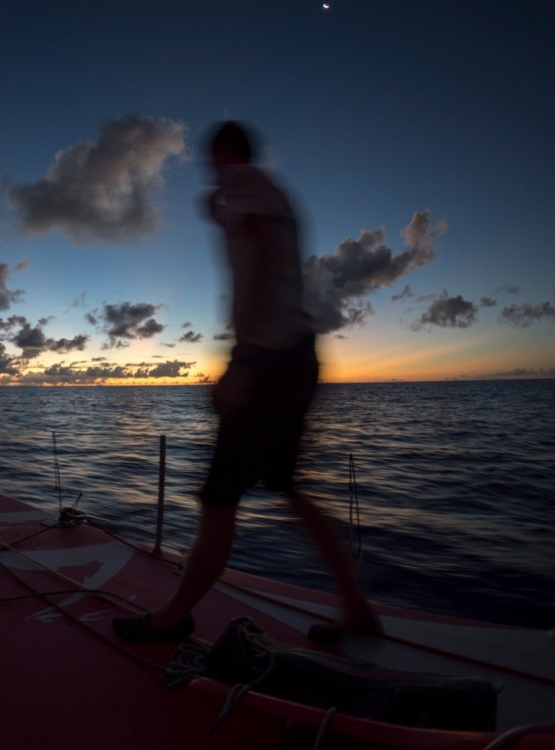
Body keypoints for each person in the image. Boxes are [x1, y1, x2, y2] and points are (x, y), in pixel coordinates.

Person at [113, 121, 378, 644]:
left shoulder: (243, 184)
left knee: (218, 497)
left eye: (212, 159)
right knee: (288, 488)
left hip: (268, 364)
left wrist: (242, 362)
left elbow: (254, 263)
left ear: (225, 154)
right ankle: (357, 607)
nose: (210, 170)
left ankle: (171, 619)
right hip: (296, 358)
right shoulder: (263, 192)